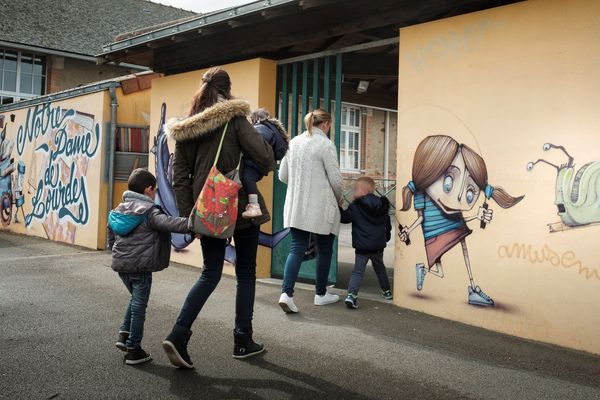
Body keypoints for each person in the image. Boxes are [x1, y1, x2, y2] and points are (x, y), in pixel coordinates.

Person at [163, 67, 274, 368]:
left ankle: (179, 334)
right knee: (247, 273)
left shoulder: (186, 128)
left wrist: (190, 217)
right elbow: (265, 157)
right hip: (241, 207)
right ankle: (242, 339)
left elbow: (179, 177)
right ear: (228, 90)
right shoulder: (236, 119)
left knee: (210, 273)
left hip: (207, 209)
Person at [399, 135, 523, 306]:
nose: (458, 198)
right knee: (440, 271)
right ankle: (424, 269)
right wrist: (408, 230)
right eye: (448, 182)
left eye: (470, 192)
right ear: (428, 171)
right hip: (434, 233)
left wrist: (478, 216)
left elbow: (464, 220)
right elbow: (421, 218)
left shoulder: (455, 211)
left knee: (464, 248)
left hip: (455, 224)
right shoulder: (420, 194)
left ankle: (473, 288)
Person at [108, 168, 189, 365]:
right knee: (139, 307)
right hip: (141, 268)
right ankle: (134, 349)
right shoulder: (149, 212)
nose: (155, 194)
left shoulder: (119, 209)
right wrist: (193, 224)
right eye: (154, 190)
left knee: (135, 300)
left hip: (122, 266)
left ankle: (124, 334)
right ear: (148, 189)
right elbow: (169, 223)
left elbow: (111, 237)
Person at [278, 109, 343, 313]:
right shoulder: (325, 144)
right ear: (325, 125)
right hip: (321, 207)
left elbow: (282, 175)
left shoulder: (294, 142)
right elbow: (336, 180)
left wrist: (300, 184)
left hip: (295, 206)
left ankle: (286, 294)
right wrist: (340, 198)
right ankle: (321, 294)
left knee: (296, 248)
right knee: (325, 249)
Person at [339, 177, 393, 309]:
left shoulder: (356, 206)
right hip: (378, 247)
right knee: (380, 269)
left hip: (362, 247)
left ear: (363, 190)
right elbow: (387, 225)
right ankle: (387, 292)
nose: (353, 192)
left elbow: (345, 218)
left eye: (355, 189)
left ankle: (352, 295)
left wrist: (340, 207)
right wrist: (385, 238)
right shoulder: (382, 205)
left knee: (358, 271)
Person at [241, 108, 288, 218]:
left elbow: (256, 142)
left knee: (248, 179)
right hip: (258, 164)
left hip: (254, 164)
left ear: (255, 119)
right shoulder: (268, 127)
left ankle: (254, 206)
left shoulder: (262, 128)